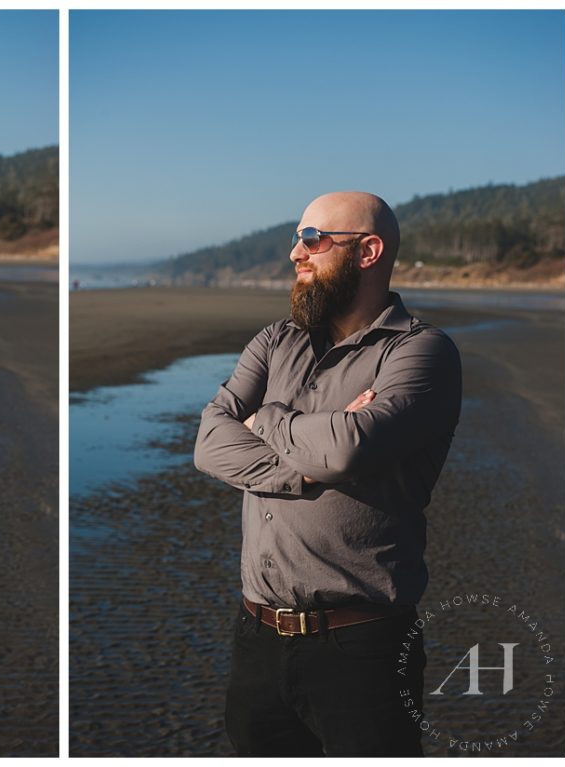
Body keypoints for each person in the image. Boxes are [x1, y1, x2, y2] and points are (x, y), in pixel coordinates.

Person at [193, 192, 461, 757]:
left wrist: (266, 418)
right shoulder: (275, 341)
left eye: (313, 239)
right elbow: (210, 445)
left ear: (368, 251)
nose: (296, 253)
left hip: (362, 648)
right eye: (297, 239)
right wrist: (309, 466)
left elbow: (347, 449)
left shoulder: (421, 353)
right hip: (257, 639)